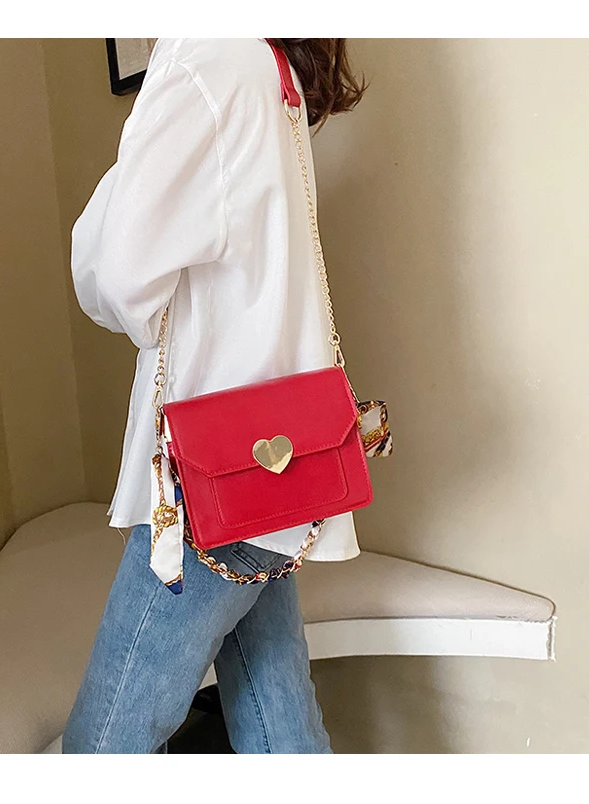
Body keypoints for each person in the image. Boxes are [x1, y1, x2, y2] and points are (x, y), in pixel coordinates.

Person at [62, 37, 367, 754]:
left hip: (210, 478)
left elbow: (118, 273)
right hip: (270, 469)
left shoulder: (203, 55)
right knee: (280, 733)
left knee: (101, 749)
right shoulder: (263, 60)